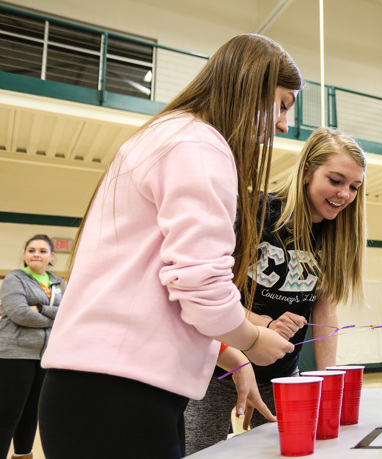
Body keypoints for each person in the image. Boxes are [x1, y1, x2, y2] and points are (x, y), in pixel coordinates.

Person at [37, 33, 303, 459]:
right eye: (282, 105)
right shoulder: (198, 144)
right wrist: (253, 339)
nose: (284, 124)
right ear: (250, 85)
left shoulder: (169, 136)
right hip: (118, 397)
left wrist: (230, 354)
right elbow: (201, 287)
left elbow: (155, 291)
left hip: (104, 392)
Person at [184, 126, 367, 454]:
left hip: (282, 374)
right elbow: (211, 290)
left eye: (354, 187)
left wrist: (326, 379)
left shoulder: (333, 236)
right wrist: (261, 324)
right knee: (198, 449)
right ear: (308, 171)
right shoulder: (255, 213)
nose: (345, 195)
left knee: (294, 449)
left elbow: (324, 310)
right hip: (219, 367)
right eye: (336, 181)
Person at [0, 235, 62, 459]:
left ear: (51, 256)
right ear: (25, 254)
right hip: (14, 354)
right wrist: (55, 317)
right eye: (32, 250)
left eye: (42, 251)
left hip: (44, 357)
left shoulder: (56, 283)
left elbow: (66, 313)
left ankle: (23, 455)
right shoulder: (15, 279)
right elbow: (19, 314)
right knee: (7, 414)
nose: (36, 254)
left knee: (30, 414)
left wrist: (41, 308)